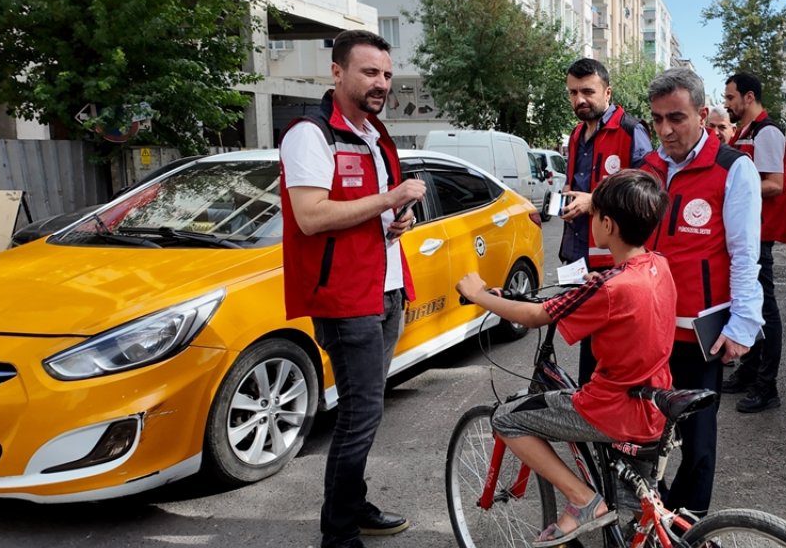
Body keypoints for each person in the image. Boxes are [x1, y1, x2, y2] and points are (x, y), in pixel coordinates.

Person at [455, 170, 675, 547]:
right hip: (654, 403)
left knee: (506, 418)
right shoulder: (659, 266)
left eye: (594, 215)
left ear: (607, 224)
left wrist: (479, 294)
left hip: (612, 409)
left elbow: (535, 315)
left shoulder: (606, 288)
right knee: (633, 521)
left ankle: (582, 500)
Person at [279, 30, 427, 548]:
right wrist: (390, 197)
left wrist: (395, 219)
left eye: (386, 74)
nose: (381, 82)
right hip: (346, 297)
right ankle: (338, 533)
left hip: (384, 289)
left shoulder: (372, 132)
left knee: (367, 411)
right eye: (369, 72)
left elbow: (365, 209)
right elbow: (311, 215)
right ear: (337, 73)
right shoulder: (311, 134)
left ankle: (353, 504)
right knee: (359, 416)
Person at [640, 68, 763, 515]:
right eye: (657, 119)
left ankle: (687, 524)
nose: (666, 130)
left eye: (677, 117)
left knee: (696, 440)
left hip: (697, 332)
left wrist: (743, 325)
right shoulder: (649, 168)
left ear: (702, 113)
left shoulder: (732, 168)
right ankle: (650, 514)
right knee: (642, 431)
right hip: (647, 329)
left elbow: (746, 253)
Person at [561, 57, 653, 384]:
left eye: (587, 91)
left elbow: (647, 189)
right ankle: (594, 417)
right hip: (578, 254)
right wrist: (569, 197)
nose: (579, 100)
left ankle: (607, 424)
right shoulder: (575, 135)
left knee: (612, 347)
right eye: (573, 93)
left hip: (614, 261)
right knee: (589, 340)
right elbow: (579, 185)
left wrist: (594, 200)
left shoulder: (630, 130)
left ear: (607, 92)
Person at [720, 73, 786, 413]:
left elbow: (775, 184)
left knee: (765, 310)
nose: (727, 104)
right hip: (753, 230)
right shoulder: (746, 133)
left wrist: (732, 190)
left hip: (761, 233)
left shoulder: (766, 132)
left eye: (731, 97)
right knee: (748, 304)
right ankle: (750, 373)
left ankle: (767, 387)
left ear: (749, 97)